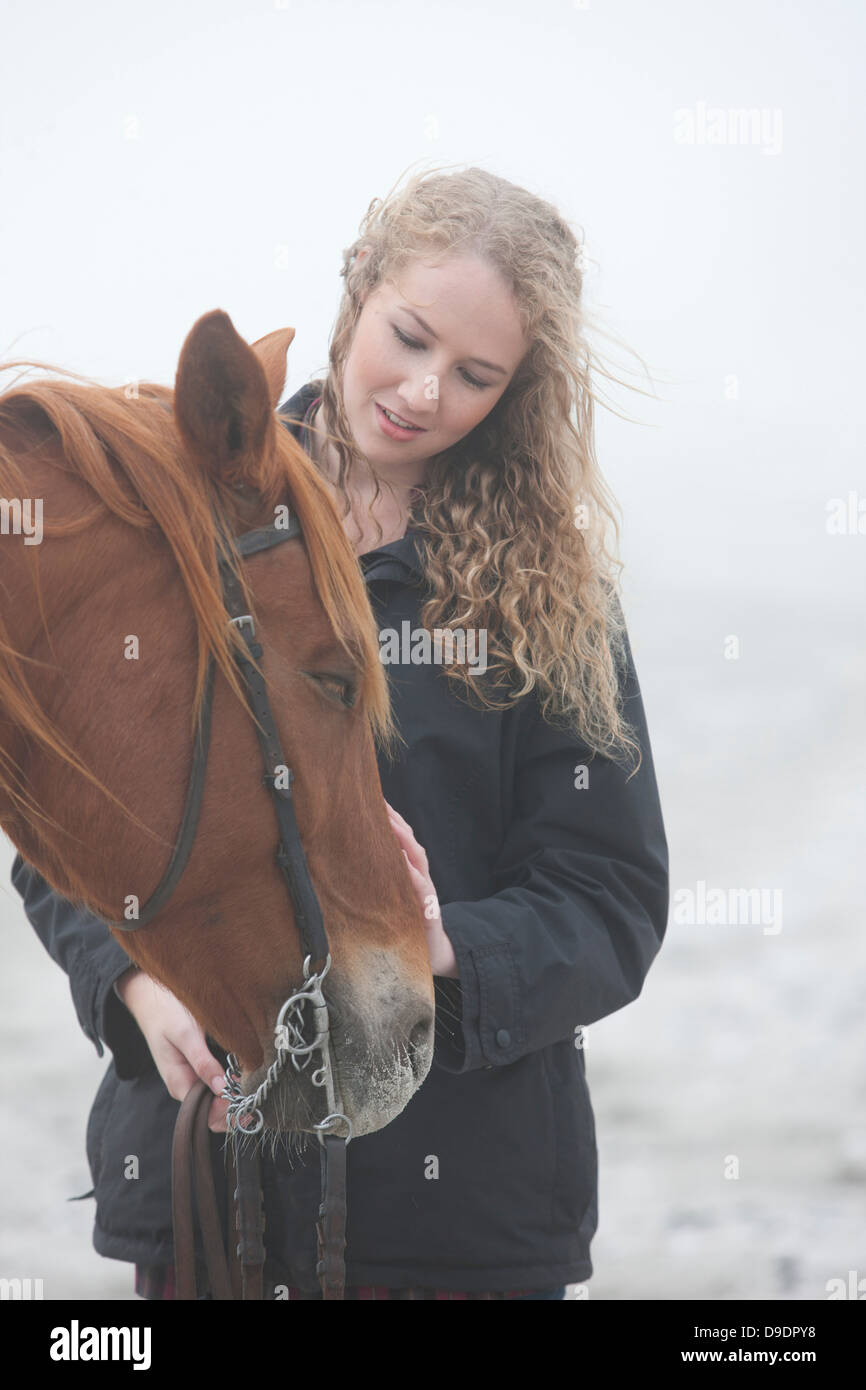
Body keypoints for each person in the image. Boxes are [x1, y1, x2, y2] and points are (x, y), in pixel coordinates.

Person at [11, 164, 669, 1300]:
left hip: (457, 1226)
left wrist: (438, 940)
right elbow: (64, 811)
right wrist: (136, 981)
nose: (423, 392)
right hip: (205, 1206)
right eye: (408, 338)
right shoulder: (188, 516)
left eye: (474, 375)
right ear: (356, 292)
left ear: (513, 392)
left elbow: (608, 894)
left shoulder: (548, 595)